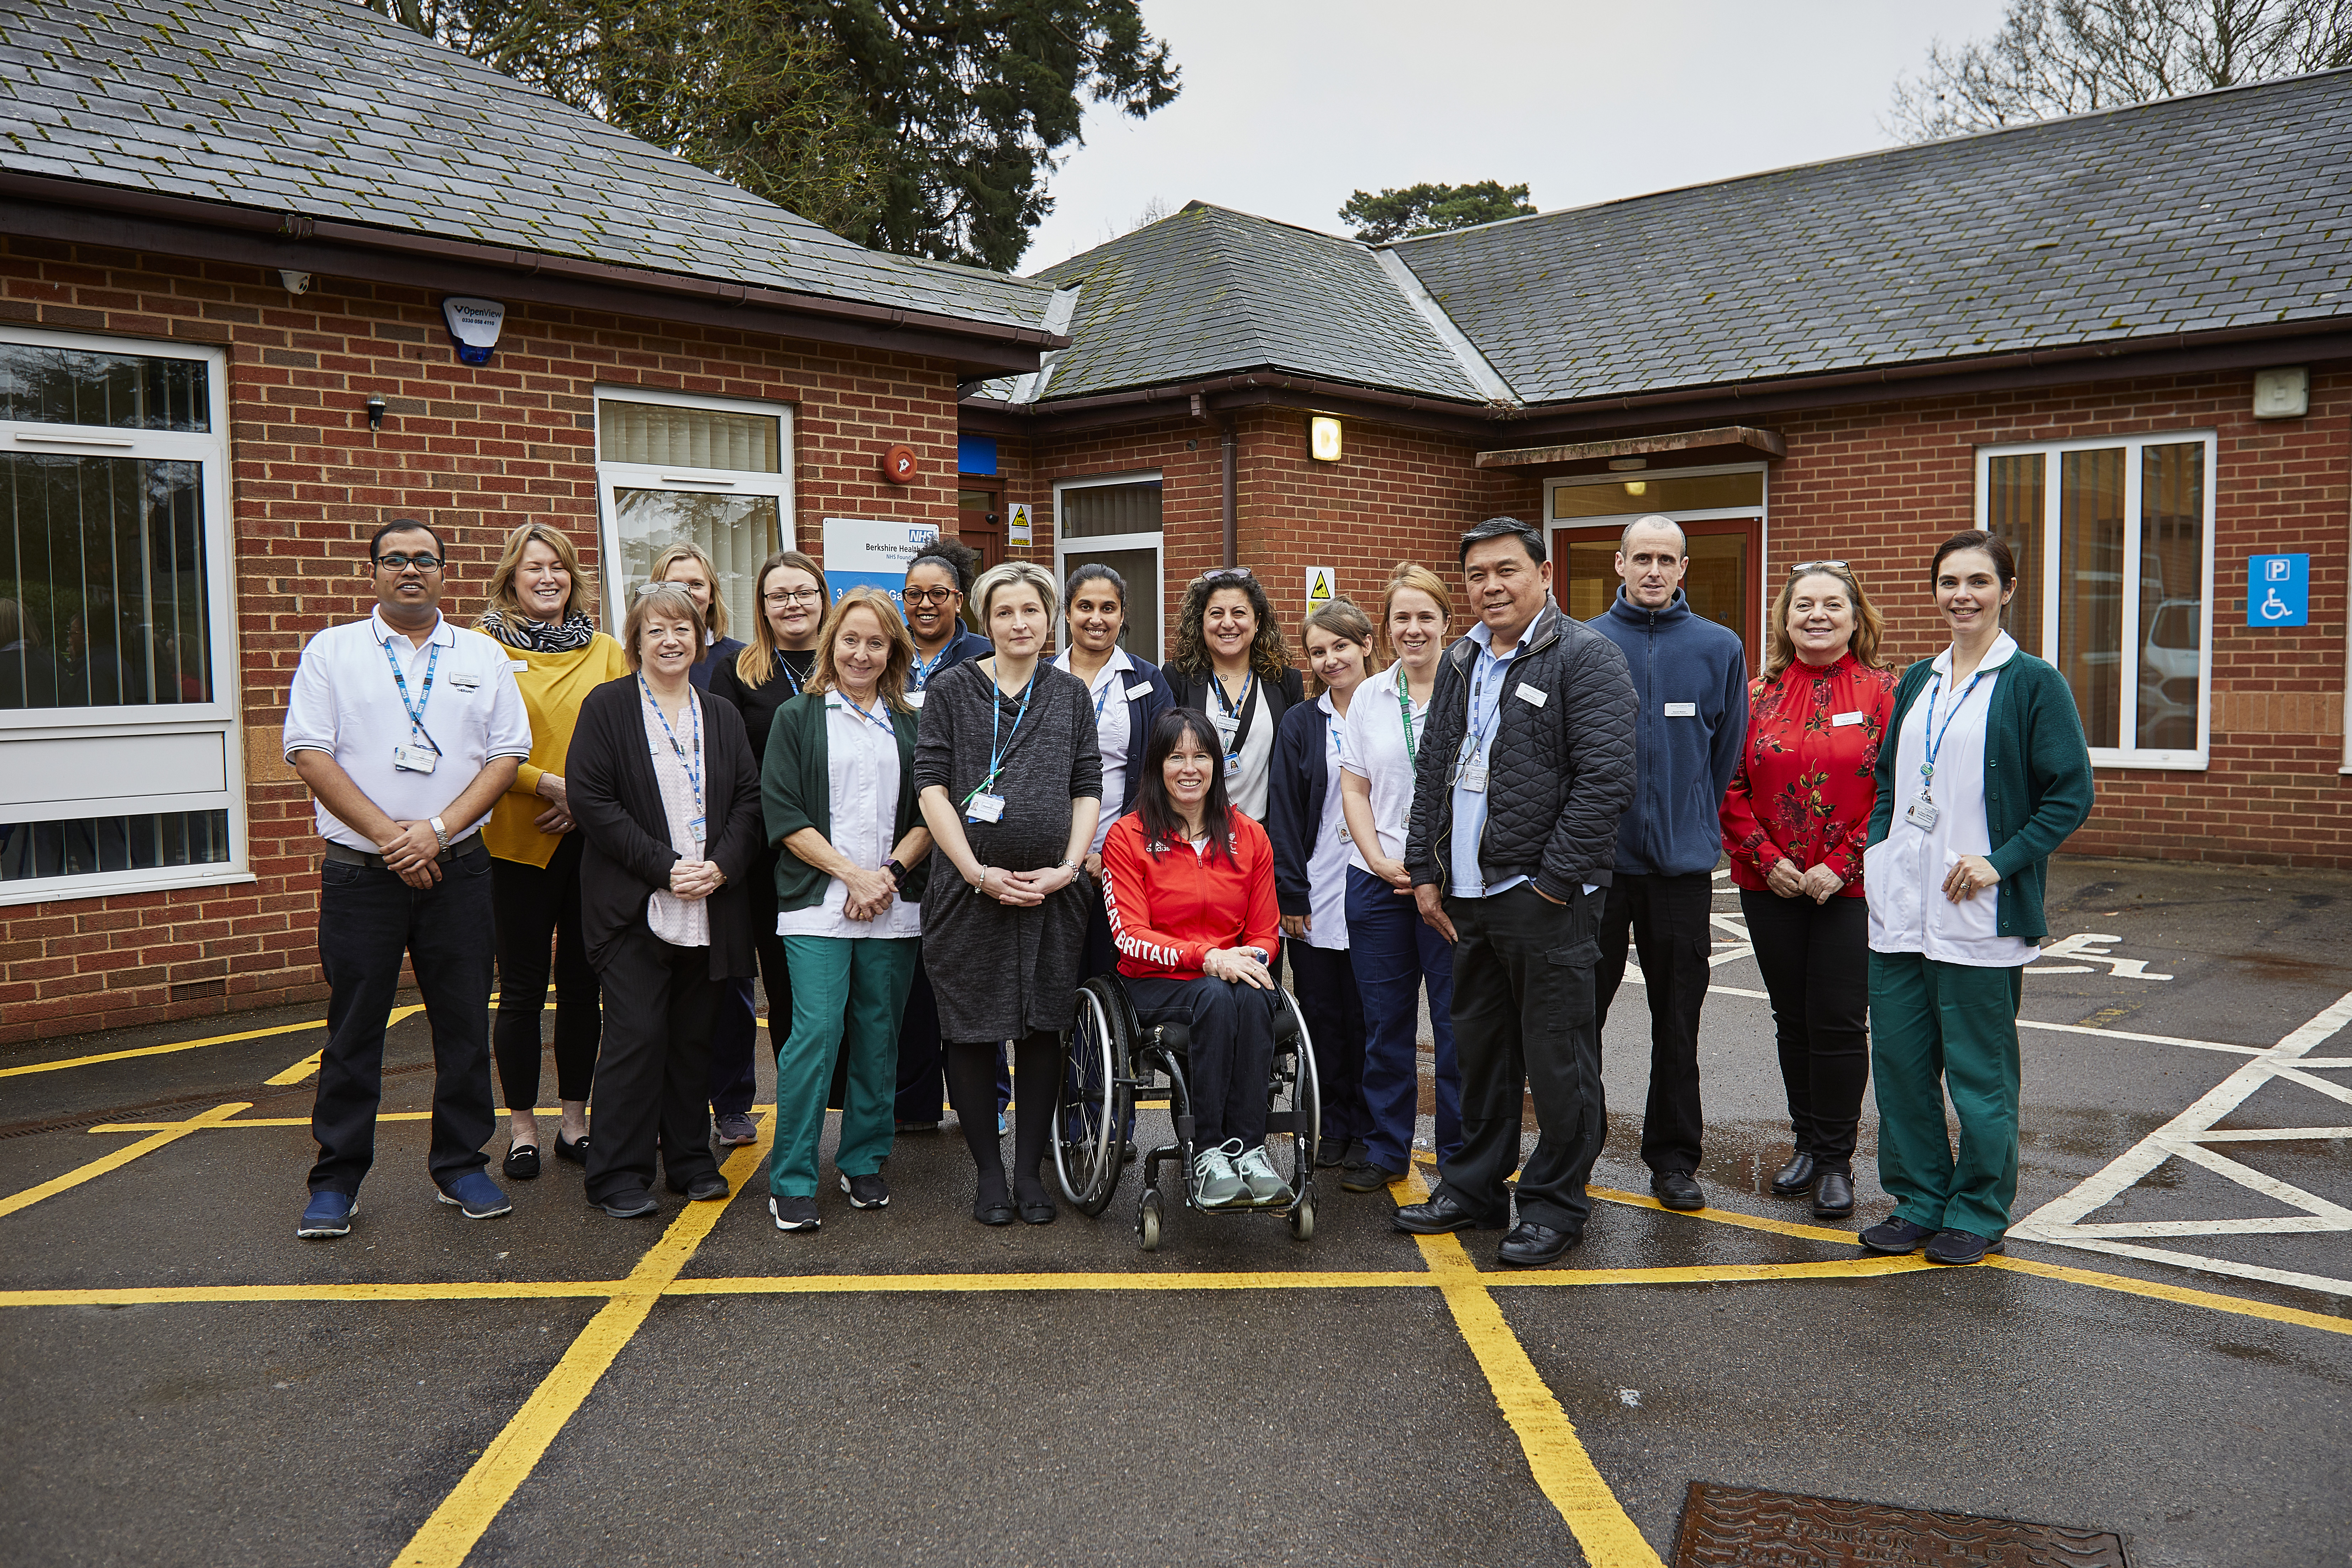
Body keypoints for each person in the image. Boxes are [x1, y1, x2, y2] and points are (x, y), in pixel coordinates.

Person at [1392, 517, 1636, 1269]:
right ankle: (1472, 1187)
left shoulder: (1585, 657)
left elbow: (1604, 782)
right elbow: (1435, 767)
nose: (1490, 586)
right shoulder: (1463, 656)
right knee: (1480, 1052)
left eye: (1506, 570)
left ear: (1544, 573)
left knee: (1559, 1061)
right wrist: (1425, 871)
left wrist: (1553, 883)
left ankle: (1556, 1204)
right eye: (1476, 575)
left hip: (1543, 897)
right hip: (1467, 896)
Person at [283, 519, 532, 1238]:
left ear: (445, 572)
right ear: (374, 573)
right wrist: (395, 838)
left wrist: (438, 831)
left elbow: (506, 755)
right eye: (395, 560)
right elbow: (308, 752)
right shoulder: (333, 651)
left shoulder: (481, 655)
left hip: (458, 870)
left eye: (425, 559)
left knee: (462, 1024)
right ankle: (336, 1180)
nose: (411, 570)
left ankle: (461, 1166)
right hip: (363, 873)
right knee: (354, 1029)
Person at [1859, 530, 2093, 1265]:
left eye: (1978, 582)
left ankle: (1978, 1209)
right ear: (1933, 591)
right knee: (1899, 1065)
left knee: (1978, 1075)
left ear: (2007, 589)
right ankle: (1920, 1200)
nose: (1962, 595)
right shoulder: (1917, 683)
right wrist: (1878, 850)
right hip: (1901, 909)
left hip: (1978, 915)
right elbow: (1894, 784)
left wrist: (1999, 862)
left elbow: (2069, 794)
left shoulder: (2031, 683)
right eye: (1949, 582)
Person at [564, 583, 765, 1218]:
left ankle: (688, 1162)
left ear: (701, 636)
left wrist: (722, 867)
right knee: (635, 1038)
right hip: (634, 905)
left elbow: (749, 802)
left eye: (683, 628)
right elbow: (592, 801)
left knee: (692, 1041)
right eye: (656, 631)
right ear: (637, 642)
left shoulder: (720, 713)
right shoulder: (608, 706)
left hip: (709, 903)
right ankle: (617, 1175)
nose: (671, 640)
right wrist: (666, 867)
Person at [913, 561, 1102, 1226]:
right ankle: (988, 1176)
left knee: (1042, 1027)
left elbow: (1087, 786)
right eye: (1004, 612)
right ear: (983, 621)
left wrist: (1069, 867)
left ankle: (1029, 1174)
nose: (1019, 623)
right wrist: (973, 871)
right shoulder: (951, 689)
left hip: (1052, 892)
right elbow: (931, 786)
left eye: (1031, 611)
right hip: (968, 889)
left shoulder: (1070, 693)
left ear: (1048, 619)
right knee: (971, 1030)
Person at [1721, 561, 1898, 1220]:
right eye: (1803, 605)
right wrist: (1766, 860)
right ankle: (1803, 1140)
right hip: (1769, 885)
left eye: (1831, 604)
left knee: (1838, 1023)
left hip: (1846, 890)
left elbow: (1894, 792)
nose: (1816, 615)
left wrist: (1842, 865)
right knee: (1790, 1019)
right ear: (1784, 618)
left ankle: (1833, 1160)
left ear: (1856, 617)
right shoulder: (1755, 693)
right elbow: (1728, 785)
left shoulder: (1886, 693)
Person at [1587, 515, 1749, 1215]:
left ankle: (1674, 1159)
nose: (1653, 570)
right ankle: (1573, 1154)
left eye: (1667, 559)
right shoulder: (1584, 643)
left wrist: (1689, 825)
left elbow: (1724, 758)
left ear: (1684, 569)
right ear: (1619, 564)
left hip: (1680, 874)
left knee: (1676, 1020)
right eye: (1641, 558)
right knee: (1576, 1021)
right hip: (1596, 870)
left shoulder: (1719, 648)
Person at [760, 589, 933, 1232]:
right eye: (850, 640)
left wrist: (885, 877)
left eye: (876, 642)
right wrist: (853, 877)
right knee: (816, 1036)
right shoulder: (796, 718)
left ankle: (863, 1159)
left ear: (893, 650)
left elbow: (928, 815)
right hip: (818, 906)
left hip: (892, 902)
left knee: (879, 1036)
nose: (861, 653)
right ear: (832, 642)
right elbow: (782, 814)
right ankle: (793, 1176)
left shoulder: (913, 720)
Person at [474, 523, 629, 1180]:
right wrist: (550, 785)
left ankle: (573, 1122)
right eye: (533, 567)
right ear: (511, 577)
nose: (547, 578)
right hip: (514, 843)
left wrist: (584, 801)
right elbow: (474, 743)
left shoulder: (607, 650)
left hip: (590, 845)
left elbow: (630, 733)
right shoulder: (478, 649)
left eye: (559, 567)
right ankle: (521, 1131)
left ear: (575, 578)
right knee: (520, 993)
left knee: (582, 987)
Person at [1103, 709, 1291, 1208]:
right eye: (1176, 756)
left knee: (1253, 997)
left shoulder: (1249, 836)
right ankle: (1208, 1153)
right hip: (1154, 983)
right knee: (1217, 994)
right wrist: (1208, 957)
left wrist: (1243, 958)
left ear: (1217, 766)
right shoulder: (1128, 837)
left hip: (1228, 978)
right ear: (1157, 767)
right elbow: (1129, 936)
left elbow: (1266, 931)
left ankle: (1249, 1150)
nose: (1190, 768)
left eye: (1201, 756)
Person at [1338, 564, 1463, 1195]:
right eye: (1400, 619)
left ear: (1446, 621)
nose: (1412, 629)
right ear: (1385, 629)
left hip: (1450, 887)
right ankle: (1387, 1149)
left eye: (1424, 617)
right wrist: (1379, 857)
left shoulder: (1470, 689)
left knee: (1454, 1030)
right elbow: (1353, 787)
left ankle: (1459, 1160)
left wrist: (1430, 868)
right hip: (1377, 882)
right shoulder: (1369, 695)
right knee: (1385, 1027)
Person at [708, 549, 830, 1150]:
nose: (793, 604)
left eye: (803, 592)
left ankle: (852, 1107)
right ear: (761, 606)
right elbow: (727, 767)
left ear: (822, 598)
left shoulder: (849, 661)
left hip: (844, 849)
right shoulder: (739, 672)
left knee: (844, 987)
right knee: (781, 986)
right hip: (765, 858)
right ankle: (796, 1115)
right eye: (779, 595)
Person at [647, 540, 761, 1146]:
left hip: (725, 852)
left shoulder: (740, 661)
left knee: (731, 990)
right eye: (675, 583)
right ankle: (673, 1109)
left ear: (712, 594)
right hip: (659, 854)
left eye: (697, 585)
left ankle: (733, 1100)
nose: (688, 594)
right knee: (663, 996)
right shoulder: (636, 664)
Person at [894, 535, 1000, 1133]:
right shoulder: (886, 652)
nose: (926, 604)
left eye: (939, 593)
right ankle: (912, 1105)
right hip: (902, 831)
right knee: (912, 984)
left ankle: (989, 1102)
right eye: (915, 594)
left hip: (972, 832)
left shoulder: (984, 654)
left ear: (959, 599)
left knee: (975, 977)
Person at [1267, 598, 1372, 1177]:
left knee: (1372, 1022)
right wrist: (1291, 895)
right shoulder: (1303, 723)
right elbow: (1282, 811)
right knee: (1323, 1021)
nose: (1331, 659)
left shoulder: (1392, 710)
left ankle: (1372, 1127)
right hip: (1316, 892)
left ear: (1364, 645)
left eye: (1340, 646)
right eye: (1318, 652)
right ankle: (1332, 1125)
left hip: (1379, 893)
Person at [1052, 561, 1174, 979]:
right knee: (1056, 981)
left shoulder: (1146, 680)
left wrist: (1114, 851)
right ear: (1067, 613)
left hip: (1120, 854)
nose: (1096, 618)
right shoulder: (1040, 678)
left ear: (1123, 616)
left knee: (1112, 973)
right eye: (1085, 606)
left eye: (1108, 608)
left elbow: (1161, 773)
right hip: (1048, 858)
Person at [1165, 568, 1304, 823]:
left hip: (1264, 837)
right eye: (1216, 613)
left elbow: (1294, 771)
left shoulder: (1285, 682)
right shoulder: (1177, 679)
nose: (1228, 623)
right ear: (1202, 621)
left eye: (1239, 613)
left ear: (1258, 621)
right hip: (1193, 833)